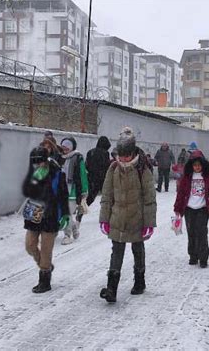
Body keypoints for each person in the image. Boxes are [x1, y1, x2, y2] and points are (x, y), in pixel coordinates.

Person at [99, 127, 157, 303]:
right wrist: (104, 218)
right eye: (120, 155)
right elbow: (107, 195)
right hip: (117, 218)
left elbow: (149, 198)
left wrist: (149, 223)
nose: (123, 158)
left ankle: (139, 281)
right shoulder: (114, 168)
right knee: (116, 251)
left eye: (126, 155)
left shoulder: (142, 170)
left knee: (137, 250)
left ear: (132, 153)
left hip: (137, 219)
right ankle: (111, 289)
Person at [22, 146, 69, 293]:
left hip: (51, 216)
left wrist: (65, 215)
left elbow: (63, 196)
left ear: (46, 160)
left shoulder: (57, 174)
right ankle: (45, 265)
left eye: (40, 162)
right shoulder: (34, 174)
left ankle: (44, 279)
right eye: (35, 162)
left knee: (47, 249)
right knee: (30, 245)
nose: (38, 165)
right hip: (34, 215)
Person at [174, 150, 209, 268]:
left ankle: (203, 258)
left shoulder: (208, 176)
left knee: (202, 233)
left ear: (203, 165)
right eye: (195, 165)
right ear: (191, 166)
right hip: (189, 209)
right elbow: (181, 193)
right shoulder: (187, 177)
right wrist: (177, 207)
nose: (197, 167)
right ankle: (193, 255)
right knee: (191, 232)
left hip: (202, 209)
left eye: (199, 165)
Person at [60, 137, 88, 245]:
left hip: (73, 190)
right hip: (61, 189)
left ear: (71, 147)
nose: (65, 148)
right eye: (63, 146)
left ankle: (67, 235)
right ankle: (74, 228)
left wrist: (84, 191)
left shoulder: (77, 158)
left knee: (67, 213)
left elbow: (82, 175)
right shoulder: (60, 158)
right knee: (65, 213)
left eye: (67, 146)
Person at [85, 136, 111, 206]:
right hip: (101, 178)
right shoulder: (105, 153)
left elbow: (86, 165)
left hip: (91, 178)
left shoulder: (90, 152)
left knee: (90, 197)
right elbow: (107, 166)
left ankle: (82, 209)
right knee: (106, 197)